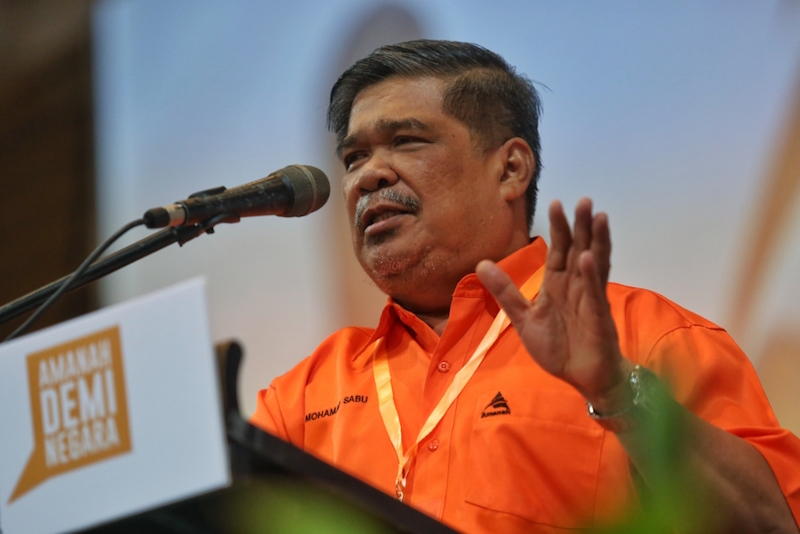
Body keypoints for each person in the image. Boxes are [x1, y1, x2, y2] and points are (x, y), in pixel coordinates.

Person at [251, 40, 800, 533]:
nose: (368, 175)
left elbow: (773, 522)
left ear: (511, 169)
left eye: (407, 141)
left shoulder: (649, 339)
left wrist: (616, 393)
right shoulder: (300, 399)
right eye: (354, 157)